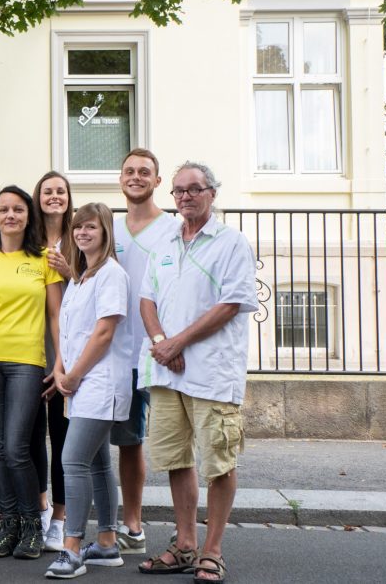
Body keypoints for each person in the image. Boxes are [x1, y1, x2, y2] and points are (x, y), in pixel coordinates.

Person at [136, 162, 257, 584]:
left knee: (218, 462)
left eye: (194, 189)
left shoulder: (231, 243)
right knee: (176, 459)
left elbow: (231, 304)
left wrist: (179, 342)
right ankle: (185, 544)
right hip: (168, 371)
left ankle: (213, 550)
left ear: (212, 193)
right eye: (178, 191)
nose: (185, 196)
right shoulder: (166, 242)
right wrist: (161, 341)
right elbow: (147, 298)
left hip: (211, 372)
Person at [0, 185, 63, 560]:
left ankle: (33, 524)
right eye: (3, 209)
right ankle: (11, 525)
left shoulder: (44, 259)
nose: (10, 215)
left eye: (17, 209)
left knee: (18, 447)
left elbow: (55, 316)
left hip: (26, 363)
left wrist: (60, 361)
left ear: (27, 215)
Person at [44, 203, 132, 579]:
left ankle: (72, 547)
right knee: (97, 464)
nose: (81, 233)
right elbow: (68, 332)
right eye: (78, 228)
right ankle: (108, 544)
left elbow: (104, 333)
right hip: (80, 383)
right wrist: (62, 368)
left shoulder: (111, 274)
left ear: (105, 232)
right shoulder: (81, 277)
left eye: (90, 228)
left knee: (73, 461)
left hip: (98, 383)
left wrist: (75, 374)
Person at [110, 149, 179, 555]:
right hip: (120, 351)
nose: (136, 177)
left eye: (144, 172)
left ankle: (182, 528)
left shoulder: (172, 228)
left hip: (163, 350)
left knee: (175, 441)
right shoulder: (110, 227)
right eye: (129, 171)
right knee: (129, 442)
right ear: (121, 180)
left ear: (156, 182)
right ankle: (133, 527)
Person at [33, 171, 75, 551]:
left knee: (62, 439)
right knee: (31, 438)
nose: (54, 197)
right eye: (48, 191)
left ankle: (61, 519)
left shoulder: (78, 236)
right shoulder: (27, 241)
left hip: (69, 352)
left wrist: (69, 271)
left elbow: (97, 281)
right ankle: (42, 508)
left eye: (60, 191)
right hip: (29, 351)